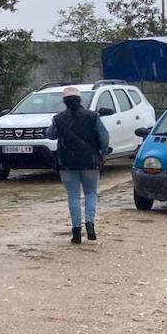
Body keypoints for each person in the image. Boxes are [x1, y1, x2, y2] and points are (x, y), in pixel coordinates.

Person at [46, 86, 110, 243]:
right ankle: (90, 223)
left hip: (67, 161)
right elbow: (104, 136)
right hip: (90, 160)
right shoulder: (92, 116)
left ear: (65, 102)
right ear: (79, 100)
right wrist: (103, 152)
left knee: (73, 196)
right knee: (91, 193)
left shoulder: (58, 118)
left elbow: (50, 134)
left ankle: (76, 230)